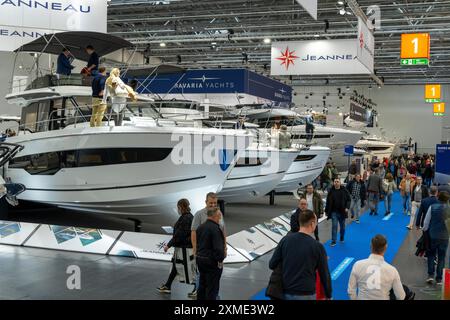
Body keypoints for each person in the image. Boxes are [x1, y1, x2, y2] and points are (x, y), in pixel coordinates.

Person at [269, 209, 332, 300]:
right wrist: (328, 295)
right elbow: (324, 274)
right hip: (307, 293)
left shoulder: (285, 240)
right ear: (312, 224)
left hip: (286, 292)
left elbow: (272, 264)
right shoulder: (317, 246)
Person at [348, 235, 406, 300]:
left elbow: (351, 291)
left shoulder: (358, 265)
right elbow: (401, 296)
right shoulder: (392, 270)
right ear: (385, 247)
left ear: (371, 246)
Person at [191, 192, 226, 299]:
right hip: (208, 255)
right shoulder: (199, 214)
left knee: (207, 282)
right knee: (205, 282)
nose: (213, 205)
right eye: (211, 203)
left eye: (215, 203)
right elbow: (193, 232)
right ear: (206, 202)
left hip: (209, 254)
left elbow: (223, 230)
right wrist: (195, 249)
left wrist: (225, 246)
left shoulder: (219, 213)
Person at [157, 199, 194, 294]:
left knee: (188, 270)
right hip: (182, 248)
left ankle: (197, 288)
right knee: (175, 267)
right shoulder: (187, 217)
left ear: (180, 207)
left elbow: (179, 235)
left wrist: (168, 245)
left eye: (178, 207)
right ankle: (168, 286)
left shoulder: (185, 218)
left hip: (184, 249)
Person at [423, 191, 449, 285]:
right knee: (442, 257)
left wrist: (425, 231)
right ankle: (439, 278)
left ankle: (430, 275)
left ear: (438, 197)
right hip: (444, 236)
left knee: (431, 255)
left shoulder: (432, 207)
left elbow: (426, 222)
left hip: (433, 235)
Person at [325, 178, 351, 246]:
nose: (336, 183)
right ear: (333, 183)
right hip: (334, 212)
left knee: (342, 227)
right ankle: (334, 241)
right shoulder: (331, 191)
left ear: (340, 183)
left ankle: (342, 237)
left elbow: (349, 199)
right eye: (335, 181)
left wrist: (347, 208)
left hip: (342, 212)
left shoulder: (344, 190)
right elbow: (328, 201)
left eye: (337, 182)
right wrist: (326, 211)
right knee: (334, 226)